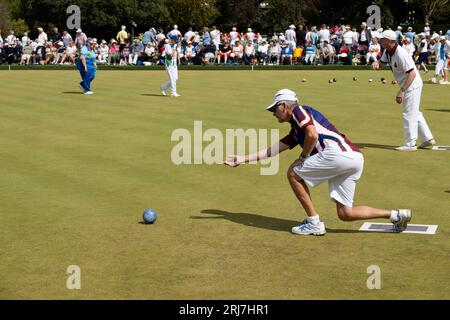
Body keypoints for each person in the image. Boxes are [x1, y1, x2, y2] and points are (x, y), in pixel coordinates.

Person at [225, 88, 412, 235]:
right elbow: (271, 151)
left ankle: (314, 223)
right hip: (354, 157)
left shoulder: (299, 110)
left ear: (284, 105)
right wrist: (242, 158)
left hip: (337, 153)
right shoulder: (296, 130)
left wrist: (303, 157)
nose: (273, 113)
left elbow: (312, 134)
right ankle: (396, 215)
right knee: (345, 213)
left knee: (293, 173)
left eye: (275, 108)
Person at [372, 30, 435, 151]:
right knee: (414, 112)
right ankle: (427, 139)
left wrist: (402, 91)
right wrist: (376, 63)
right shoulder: (388, 51)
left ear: (389, 41)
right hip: (408, 83)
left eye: (382, 39)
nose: (380, 40)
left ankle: (410, 144)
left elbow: (411, 73)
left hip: (412, 84)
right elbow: (381, 64)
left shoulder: (401, 53)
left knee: (409, 113)